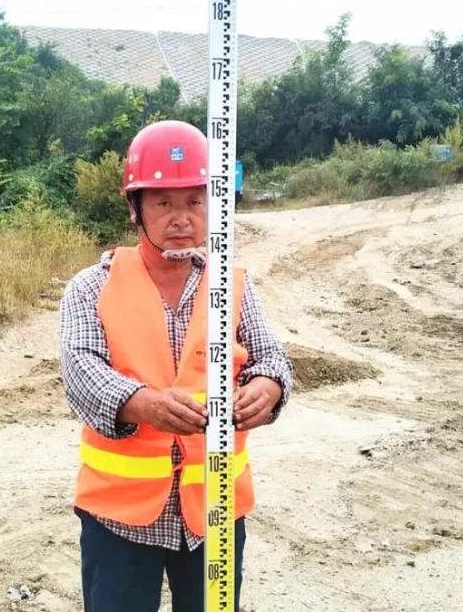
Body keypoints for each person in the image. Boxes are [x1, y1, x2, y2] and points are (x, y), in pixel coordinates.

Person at [59, 120, 292, 612]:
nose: (182, 218)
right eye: (164, 203)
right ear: (135, 208)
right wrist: (141, 403)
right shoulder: (91, 285)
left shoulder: (233, 284)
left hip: (214, 508)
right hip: (119, 517)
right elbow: (80, 370)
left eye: (195, 202)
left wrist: (269, 386)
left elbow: (271, 356)